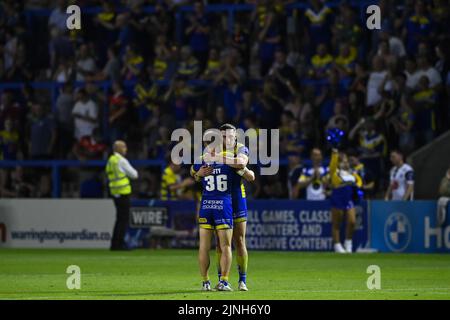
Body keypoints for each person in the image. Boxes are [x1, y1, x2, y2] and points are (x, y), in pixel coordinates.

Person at [192, 125, 255, 291]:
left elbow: (244, 166)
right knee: (221, 244)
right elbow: (195, 173)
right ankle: (222, 279)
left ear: (235, 137)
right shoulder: (211, 151)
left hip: (236, 198)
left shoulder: (240, 148)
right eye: (224, 136)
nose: (227, 139)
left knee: (239, 240)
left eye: (230, 136)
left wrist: (218, 158)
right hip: (221, 198)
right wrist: (199, 173)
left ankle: (242, 280)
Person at [191, 146, 236, 291]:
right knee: (225, 246)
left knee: (204, 246)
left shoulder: (202, 160)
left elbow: (192, 171)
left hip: (206, 204)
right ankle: (224, 281)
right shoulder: (227, 158)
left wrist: (197, 174)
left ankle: (205, 282)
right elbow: (242, 167)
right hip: (223, 205)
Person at [106, 140, 138, 251]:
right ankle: (119, 244)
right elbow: (134, 174)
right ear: (118, 148)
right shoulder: (121, 160)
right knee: (123, 219)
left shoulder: (111, 160)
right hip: (123, 192)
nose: (126, 149)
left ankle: (115, 243)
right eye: (124, 147)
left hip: (114, 193)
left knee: (119, 219)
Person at [329, 148, 363, 253]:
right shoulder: (335, 173)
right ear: (338, 163)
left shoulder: (351, 173)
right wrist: (335, 154)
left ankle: (348, 243)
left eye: (346, 161)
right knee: (337, 223)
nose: (346, 163)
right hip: (338, 198)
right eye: (343, 161)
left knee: (352, 221)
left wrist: (357, 188)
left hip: (348, 199)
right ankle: (337, 245)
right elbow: (332, 166)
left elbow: (359, 181)